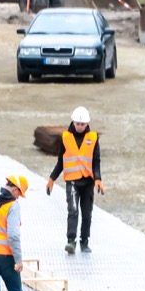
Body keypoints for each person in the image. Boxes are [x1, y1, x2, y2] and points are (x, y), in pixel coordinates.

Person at [46, 106, 105, 255]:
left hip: (88, 183)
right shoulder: (65, 138)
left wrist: (98, 179)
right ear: (73, 122)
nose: (79, 127)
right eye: (77, 124)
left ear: (87, 124)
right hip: (72, 181)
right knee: (72, 210)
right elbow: (61, 161)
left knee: (87, 213)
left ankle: (84, 241)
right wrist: (52, 178)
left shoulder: (93, 137)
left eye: (82, 124)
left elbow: (96, 161)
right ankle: (71, 241)